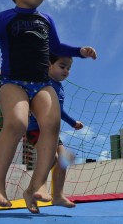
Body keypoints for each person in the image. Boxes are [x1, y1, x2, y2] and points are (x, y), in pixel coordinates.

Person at [0, 0, 97, 213]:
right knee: (16, 123)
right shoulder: (3, 18)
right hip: (13, 82)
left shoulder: (46, 20)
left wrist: (79, 51)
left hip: (42, 84)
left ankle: (38, 185)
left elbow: (57, 48)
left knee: (52, 124)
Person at [25, 54, 82, 209]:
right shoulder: (43, 81)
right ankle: (32, 190)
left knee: (62, 160)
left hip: (51, 132)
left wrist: (72, 122)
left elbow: (59, 111)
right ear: (49, 65)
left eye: (68, 68)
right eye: (62, 66)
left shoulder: (60, 88)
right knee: (51, 158)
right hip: (36, 129)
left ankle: (57, 196)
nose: (66, 71)